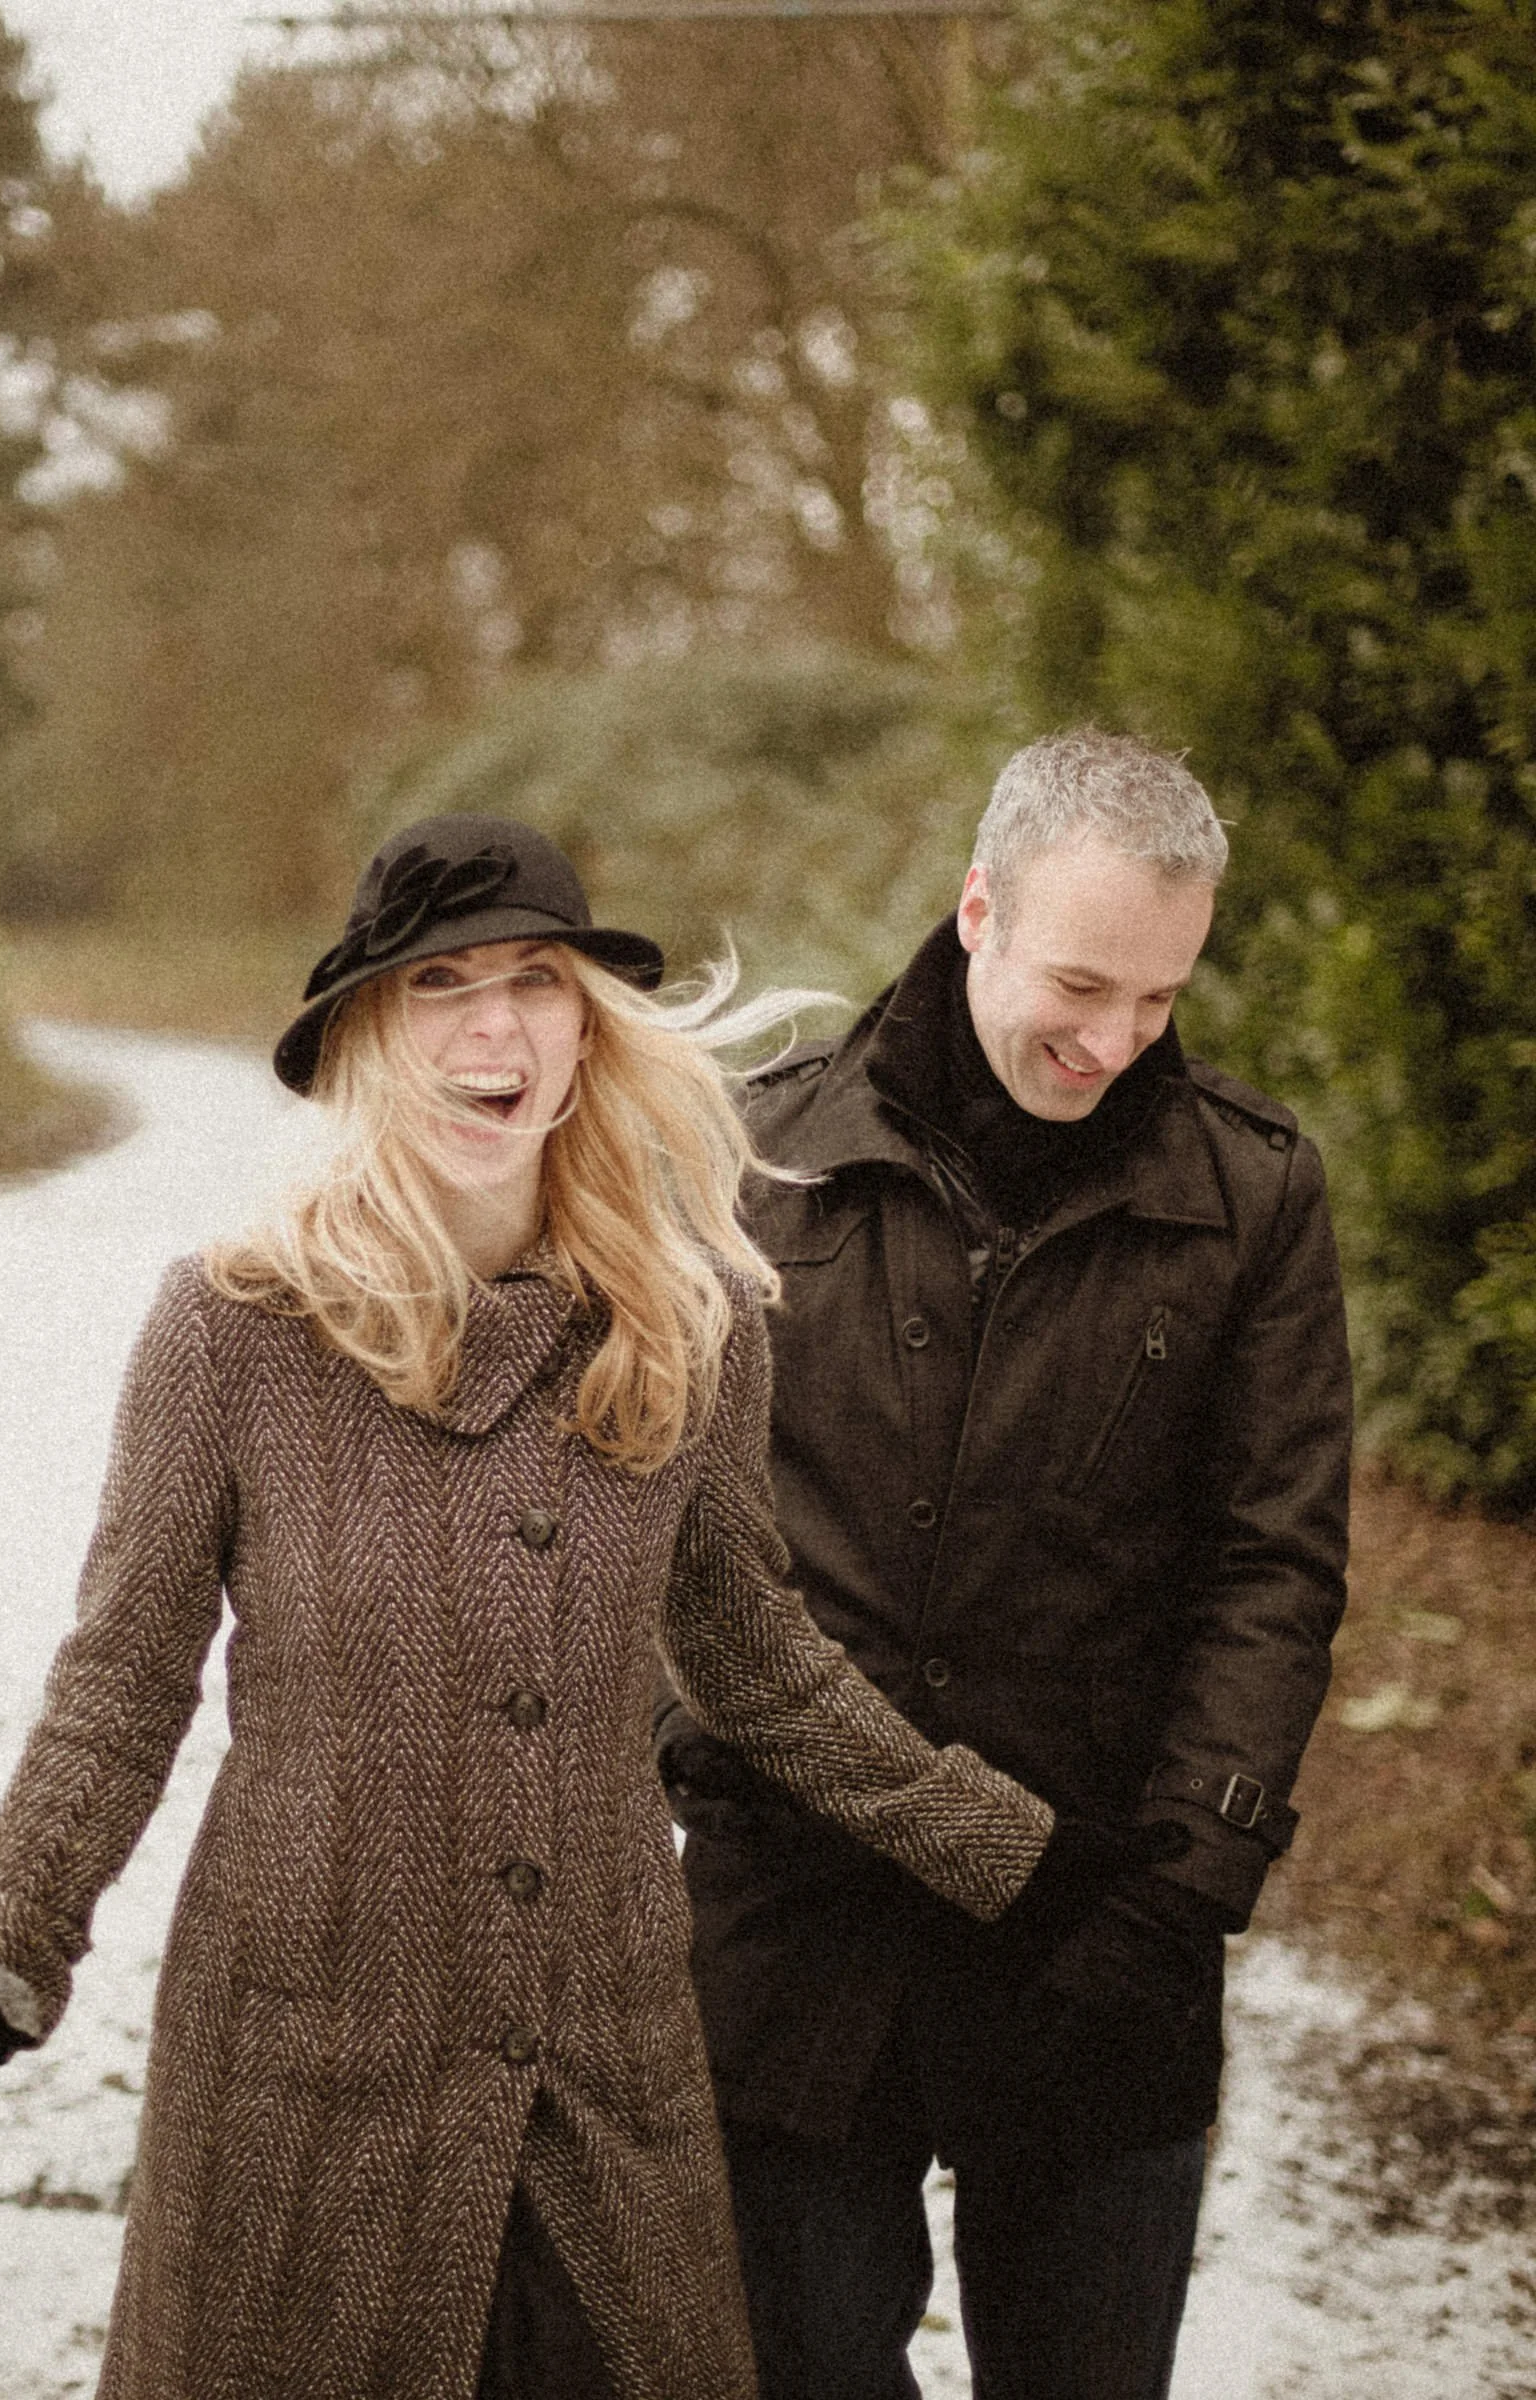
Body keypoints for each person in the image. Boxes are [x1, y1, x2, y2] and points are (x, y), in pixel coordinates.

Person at [0, 813, 1120, 2400]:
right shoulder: (233, 1330)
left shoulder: (685, 1332)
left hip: (604, 2078)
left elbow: (760, 1666)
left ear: (586, 1028)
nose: (494, 1030)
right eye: (441, 985)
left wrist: (1018, 1859)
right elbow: (117, 1700)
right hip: (302, 2077)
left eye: (533, 983)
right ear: (367, 1030)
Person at [657, 730, 1354, 2400]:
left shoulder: (1253, 1195)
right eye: (1083, 982)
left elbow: (1275, 1563)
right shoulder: (749, 1159)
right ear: (980, 908)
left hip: (1102, 1930)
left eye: (1162, 1004)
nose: (1113, 1042)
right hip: (794, 1934)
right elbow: (663, 1535)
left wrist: (1184, 1890)